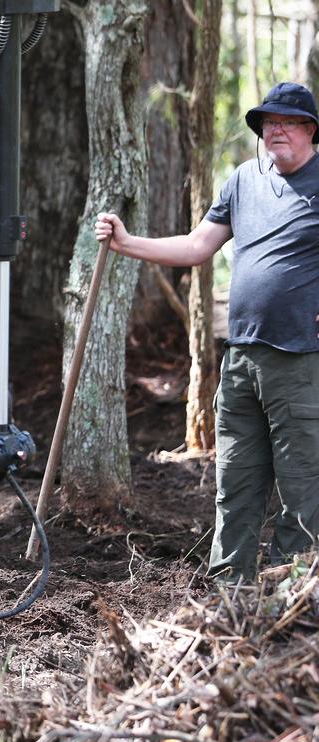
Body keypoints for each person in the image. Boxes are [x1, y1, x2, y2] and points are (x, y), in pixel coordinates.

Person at [95, 82, 319, 581]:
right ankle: (229, 595)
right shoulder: (244, 180)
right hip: (240, 360)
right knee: (234, 482)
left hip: (300, 360)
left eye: (285, 121)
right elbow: (198, 246)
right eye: (266, 122)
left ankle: (293, 596)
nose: (274, 129)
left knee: (303, 487)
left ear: (310, 129)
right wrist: (128, 244)